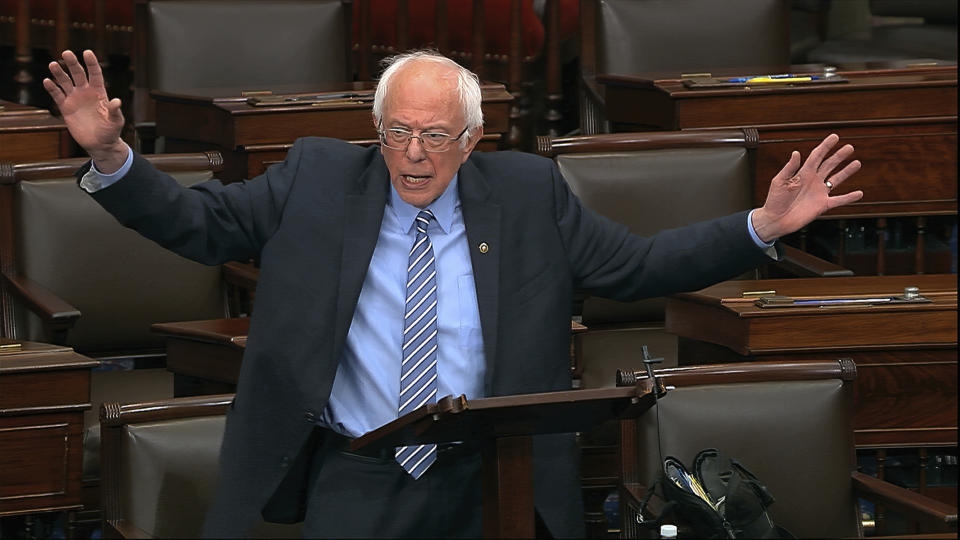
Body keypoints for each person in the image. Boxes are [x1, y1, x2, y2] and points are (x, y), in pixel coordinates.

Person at [44, 49, 862, 538]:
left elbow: (638, 266)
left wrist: (759, 224)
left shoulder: (529, 195)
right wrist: (114, 159)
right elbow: (196, 225)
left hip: (489, 473)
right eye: (396, 131)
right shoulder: (317, 179)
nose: (412, 154)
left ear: (472, 141)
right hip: (355, 467)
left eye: (435, 136)